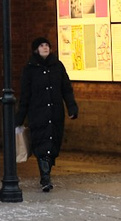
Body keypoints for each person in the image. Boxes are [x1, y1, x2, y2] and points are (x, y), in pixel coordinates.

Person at [17, 37, 78, 192]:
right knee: (42, 144)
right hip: (38, 113)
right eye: (41, 46)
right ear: (36, 49)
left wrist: (72, 107)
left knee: (53, 143)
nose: (45, 48)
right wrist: (20, 117)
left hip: (55, 112)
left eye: (47, 45)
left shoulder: (57, 66)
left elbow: (66, 88)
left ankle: (46, 173)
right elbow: (25, 95)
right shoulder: (30, 69)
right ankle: (45, 177)